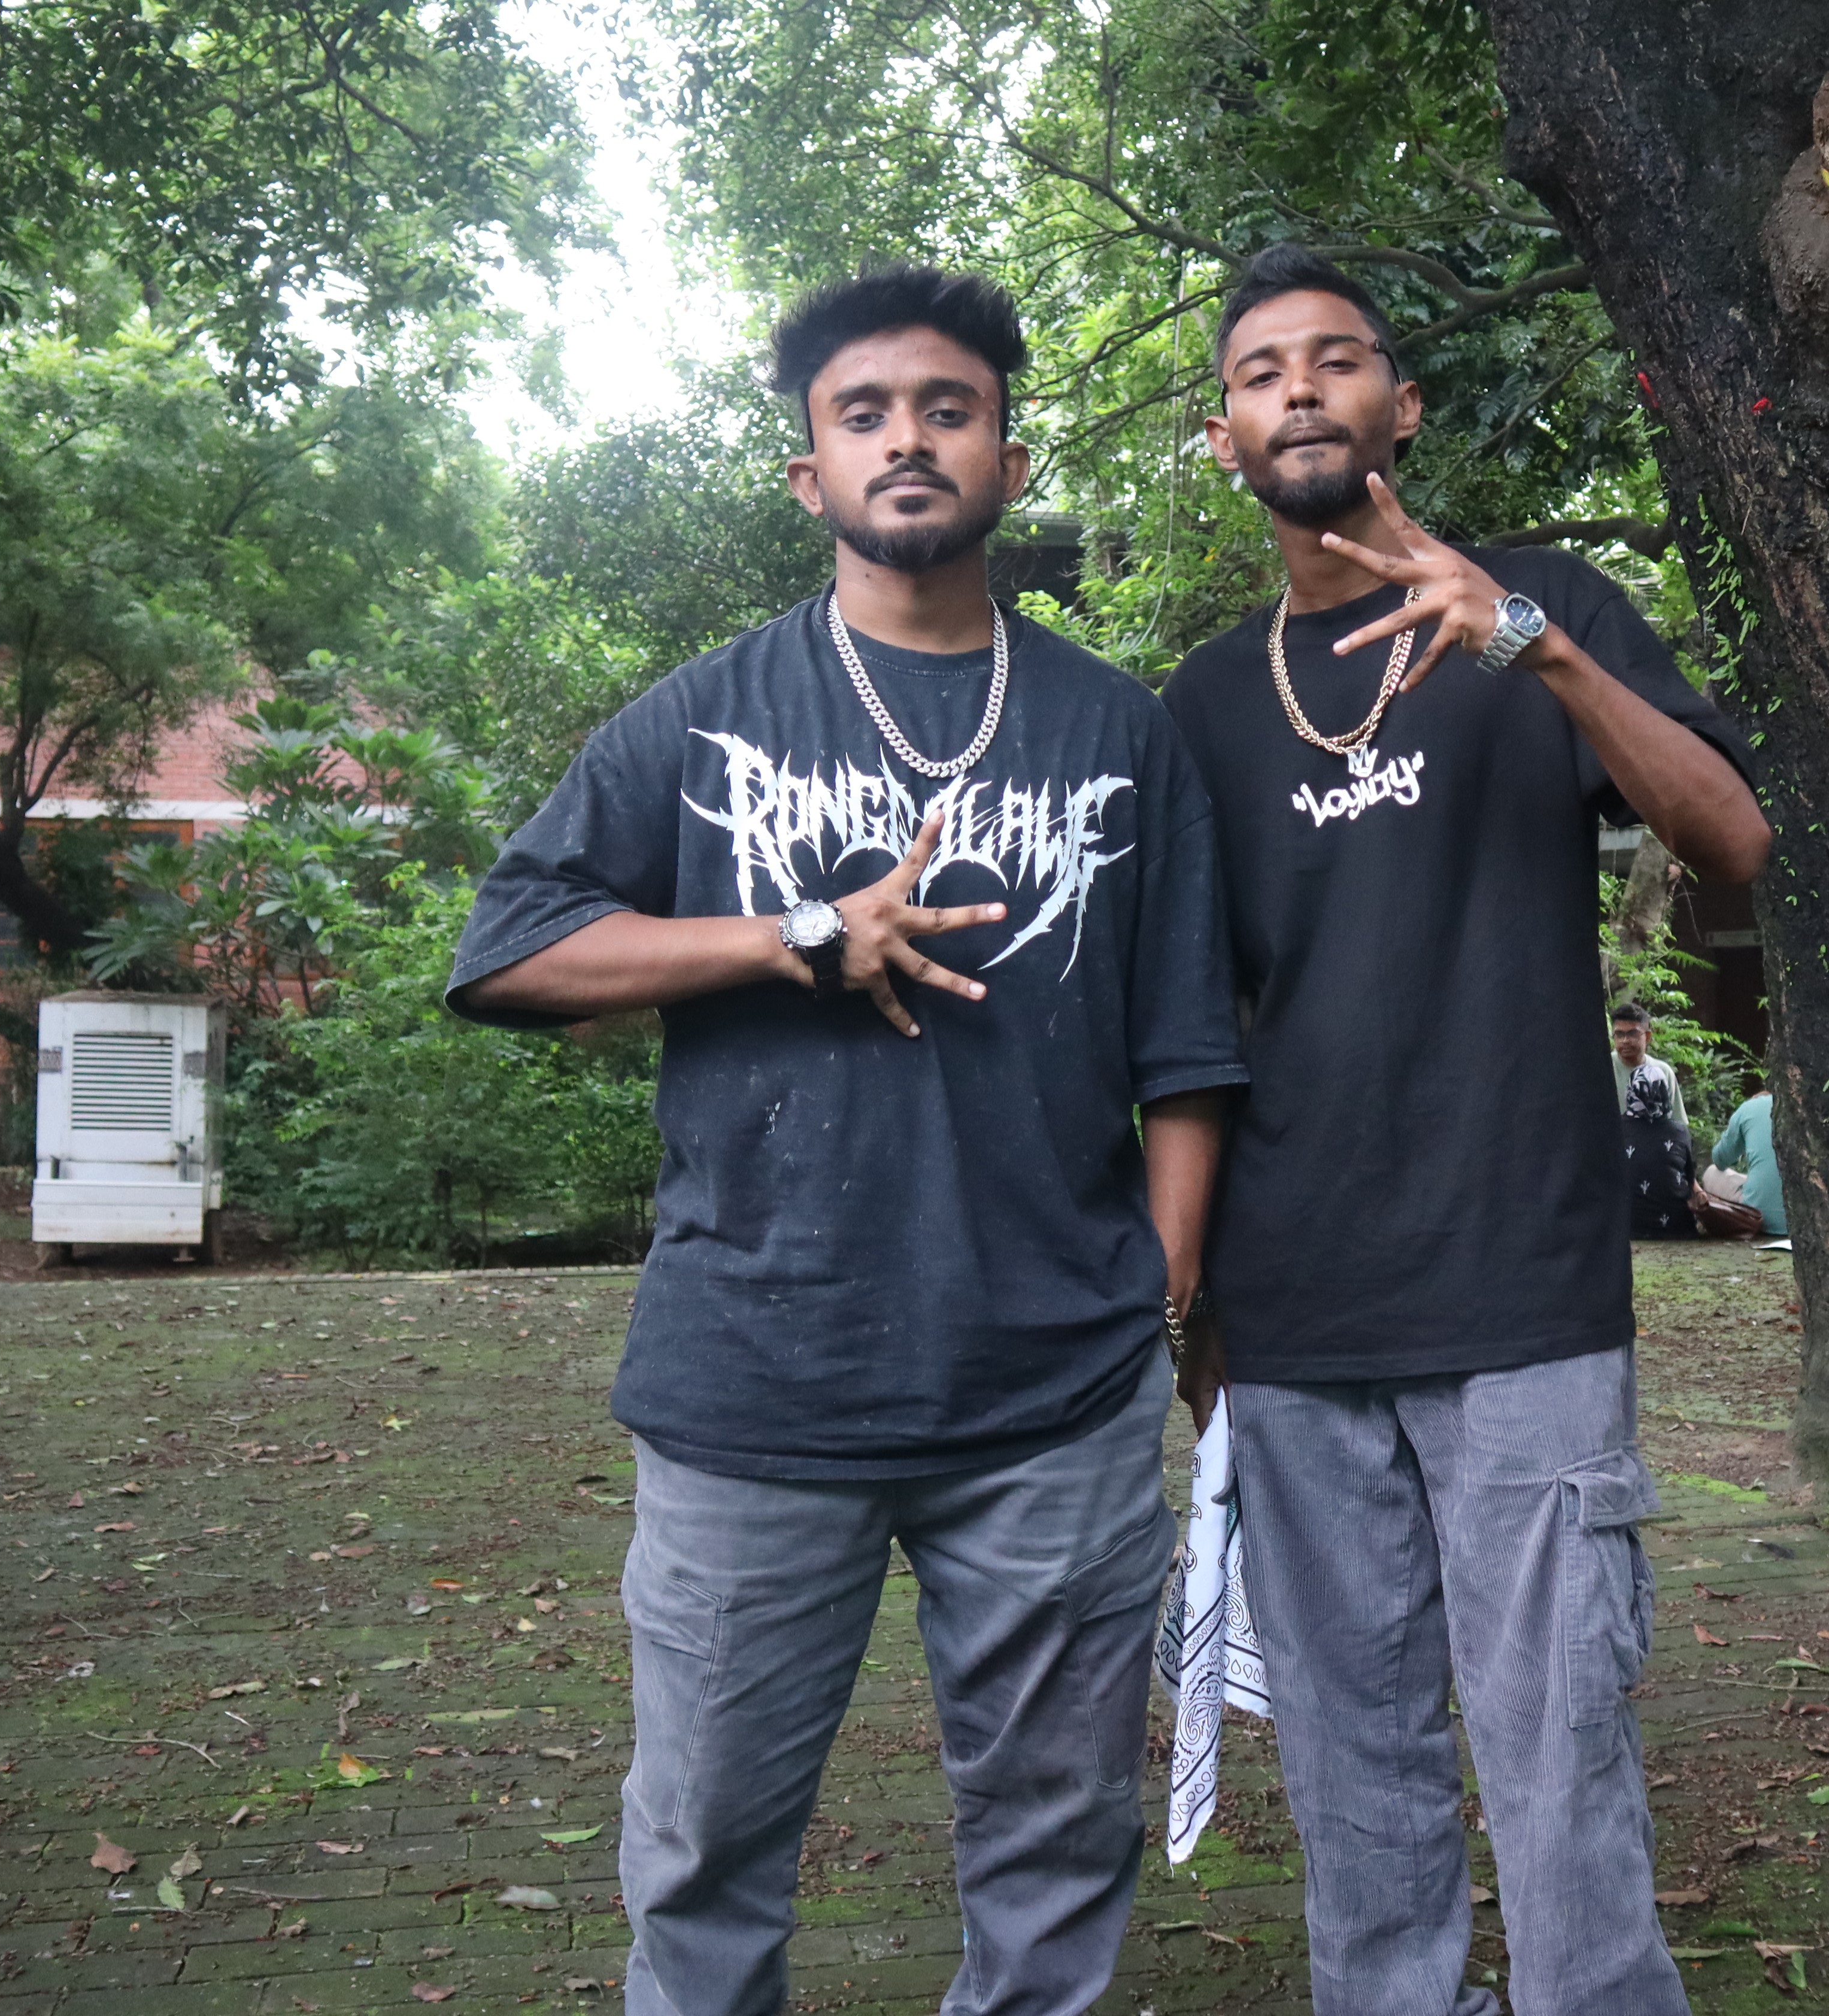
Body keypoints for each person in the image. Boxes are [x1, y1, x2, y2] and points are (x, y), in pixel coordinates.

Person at [444, 268, 1246, 2016]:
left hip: (1053, 1390)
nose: (908, 439)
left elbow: (1189, 1050)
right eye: (863, 413)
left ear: (1008, 462)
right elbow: (506, 952)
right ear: (809, 473)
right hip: (756, 1377)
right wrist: (791, 935)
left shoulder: (1120, 731)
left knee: (1058, 1843)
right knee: (705, 1845)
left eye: (948, 409)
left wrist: (1165, 1294)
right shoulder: (706, 718)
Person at [1161, 245, 1772, 2016]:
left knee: (1559, 1746)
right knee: (1351, 1764)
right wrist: (1194, 1309)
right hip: (1297, 1319)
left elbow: (1734, 837)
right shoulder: (1202, 707)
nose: (1298, 389)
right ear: (1225, 437)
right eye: (1260, 371)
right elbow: (1192, 1027)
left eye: (1334, 358)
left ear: (1401, 407)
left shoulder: (1544, 607)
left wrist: (1532, 644)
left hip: (1524, 1300)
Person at [1609, 1003, 1698, 1239]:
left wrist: (1694, 1186)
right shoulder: (1604, 1069)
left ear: (1647, 1036)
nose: (1625, 1041)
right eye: (1619, 1034)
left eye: (1632, 1034)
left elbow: (1679, 1130)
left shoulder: (1663, 1072)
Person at [1706, 1086, 1788, 1238]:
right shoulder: (1809, 1110)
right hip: (1804, 1218)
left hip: (1757, 1215)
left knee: (1711, 1173)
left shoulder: (1749, 1108)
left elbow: (1720, 1160)